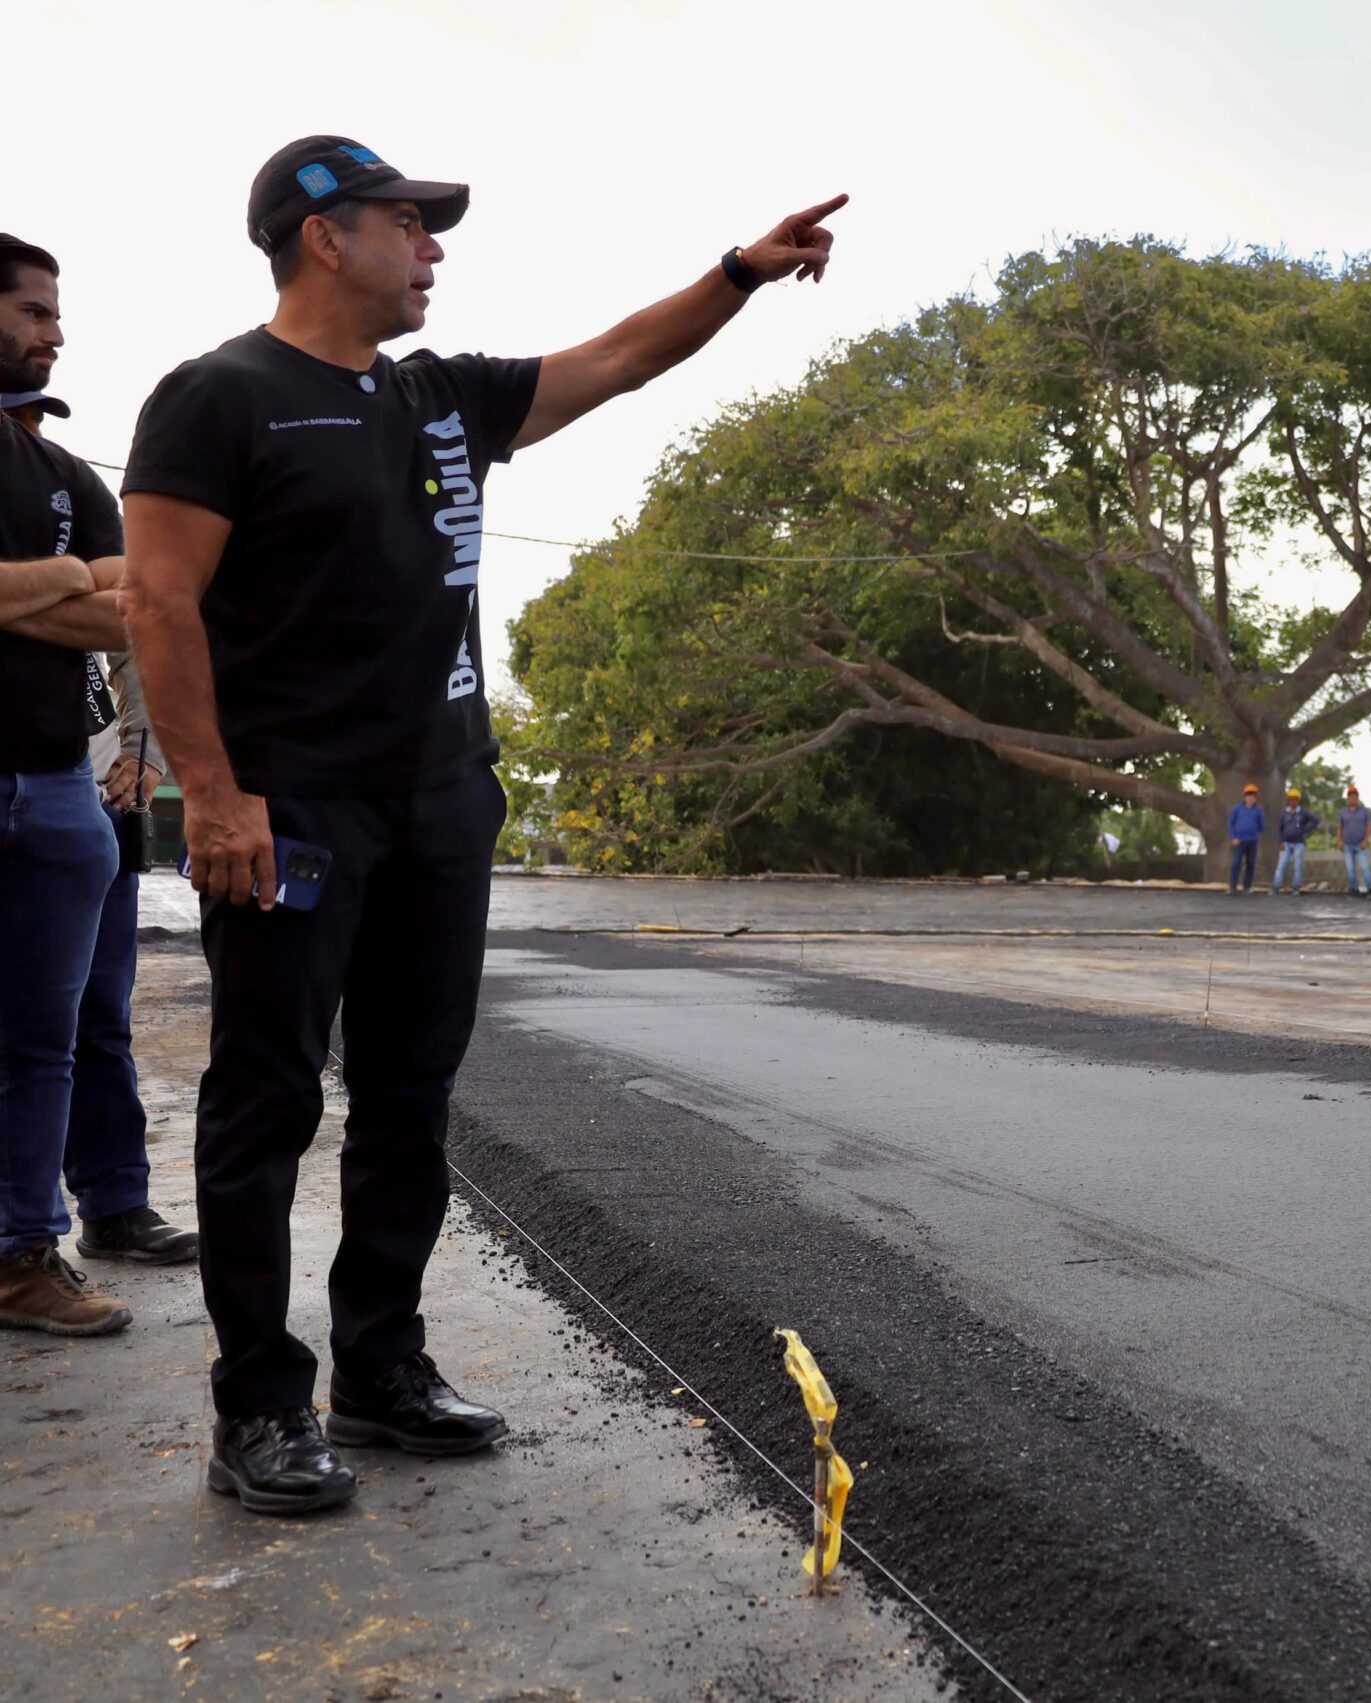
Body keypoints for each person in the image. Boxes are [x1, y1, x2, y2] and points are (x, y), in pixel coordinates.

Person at [121, 136, 846, 1517]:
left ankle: (379, 1366)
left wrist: (742, 272)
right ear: (324, 236)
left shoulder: (442, 399)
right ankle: (259, 1402)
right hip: (294, 808)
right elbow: (158, 603)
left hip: (445, 798)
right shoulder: (218, 398)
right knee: (267, 1097)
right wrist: (209, 797)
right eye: (411, 223)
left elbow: (621, 357)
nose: (434, 247)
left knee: (410, 1089)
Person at [5, 385, 199, 1268]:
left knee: (95, 1018)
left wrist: (147, 749)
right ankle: (22, 1231)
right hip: (28, 778)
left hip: (95, 795)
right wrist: (76, 586)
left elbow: (139, 617)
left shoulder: (76, 494)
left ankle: (114, 1203)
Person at [0, 234, 141, 1337]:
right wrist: (72, 578)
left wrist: (23, 591)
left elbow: (131, 605)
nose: (57, 332)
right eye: (38, 311)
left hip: (55, 787)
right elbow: (94, 589)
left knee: (44, 1038)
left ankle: (18, 1255)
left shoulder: (63, 473)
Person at [1272, 787, 1319, 896]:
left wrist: (1305, 829)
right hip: (1286, 843)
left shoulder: (1303, 812)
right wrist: (1280, 841)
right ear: (1288, 800)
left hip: (1299, 843)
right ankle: (1276, 887)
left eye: (1295, 799)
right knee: (1281, 864)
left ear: (1298, 800)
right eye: (1291, 799)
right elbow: (1279, 828)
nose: (1293, 801)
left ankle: (1296, 887)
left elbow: (1316, 820)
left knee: (1298, 866)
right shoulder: (1284, 813)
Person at [1337, 783, 1371, 898]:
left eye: (1354, 796)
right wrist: (1339, 841)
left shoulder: (1364, 811)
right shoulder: (1343, 812)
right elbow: (1340, 827)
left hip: (1361, 844)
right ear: (1348, 798)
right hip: (1347, 845)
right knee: (1350, 869)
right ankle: (1354, 890)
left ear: (1357, 797)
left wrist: (1366, 840)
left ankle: (1370, 890)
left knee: (1365, 867)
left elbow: (1369, 826)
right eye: (1350, 796)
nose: (1352, 798)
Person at [1226, 784, 1264, 894]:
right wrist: (1234, 837)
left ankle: (1247, 886)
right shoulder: (1237, 809)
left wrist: (1253, 829)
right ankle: (1232, 886)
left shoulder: (1258, 811)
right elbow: (1230, 823)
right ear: (1244, 797)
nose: (1250, 798)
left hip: (1252, 841)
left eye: (1252, 796)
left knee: (1251, 863)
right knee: (1236, 863)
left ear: (1255, 798)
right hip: (1239, 841)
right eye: (1248, 795)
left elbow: (1262, 826)